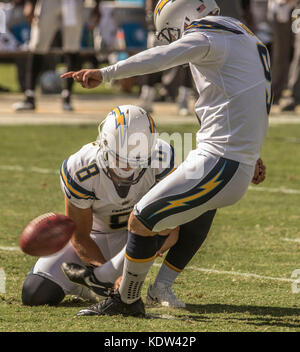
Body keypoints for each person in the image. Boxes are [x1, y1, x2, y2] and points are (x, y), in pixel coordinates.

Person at [61, 0, 271, 317]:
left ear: (179, 21)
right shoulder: (244, 35)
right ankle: (113, 281)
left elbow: (159, 58)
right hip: (227, 158)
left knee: (143, 218)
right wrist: (252, 150)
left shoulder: (207, 37)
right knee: (165, 216)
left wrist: (105, 72)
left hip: (221, 160)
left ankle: (125, 299)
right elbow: (246, 99)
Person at [21, 104, 218, 307]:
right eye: (119, 158)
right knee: (34, 293)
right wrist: (105, 275)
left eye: (135, 160)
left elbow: (169, 229)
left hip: (140, 238)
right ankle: (87, 287)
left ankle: (162, 286)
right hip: (94, 239)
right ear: (104, 144)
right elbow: (80, 236)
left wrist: (130, 265)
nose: (127, 167)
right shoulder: (81, 168)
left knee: (201, 202)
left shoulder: (162, 157)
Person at [12, 0, 101, 112]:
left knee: (72, 47)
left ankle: (67, 96)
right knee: (37, 46)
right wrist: (30, 1)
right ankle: (29, 96)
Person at [140, 0, 215, 116]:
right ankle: (147, 95)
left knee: (189, 54)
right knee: (155, 52)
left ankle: (184, 97)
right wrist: (150, 10)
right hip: (168, 7)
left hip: (192, 9)